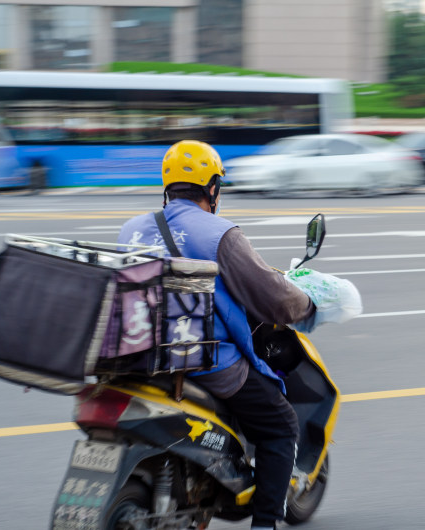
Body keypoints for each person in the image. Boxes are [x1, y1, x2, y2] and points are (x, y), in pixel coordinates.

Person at [118, 140, 315, 530]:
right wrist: (307, 305)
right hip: (203, 364)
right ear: (212, 188)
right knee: (282, 427)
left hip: (140, 357)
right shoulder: (220, 234)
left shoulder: (133, 229)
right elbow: (272, 296)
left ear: (168, 186)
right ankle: (264, 524)